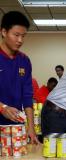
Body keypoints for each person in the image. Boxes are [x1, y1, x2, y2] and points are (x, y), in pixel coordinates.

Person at [0, 11, 38, 144]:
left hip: (15, 127)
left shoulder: (24, 60)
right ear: (4, 32)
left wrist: (31, 128)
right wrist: (2, 108)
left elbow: (27, 96)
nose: (20, 40)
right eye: (16, 35)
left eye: (23, 36)